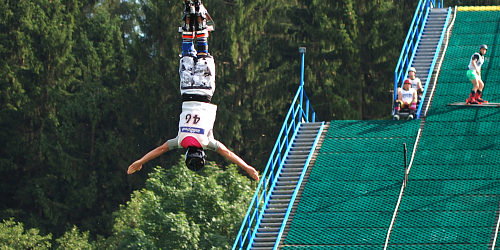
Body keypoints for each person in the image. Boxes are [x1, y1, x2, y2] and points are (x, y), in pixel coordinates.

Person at [127, 101, 260, 181]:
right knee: (188, 59)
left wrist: (247, 168)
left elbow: (228, 153)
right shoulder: (180, 141)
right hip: (187, 94)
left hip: (206, 96)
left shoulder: (207, 142)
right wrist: (141, 161)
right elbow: (160, 149)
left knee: (204, 57)